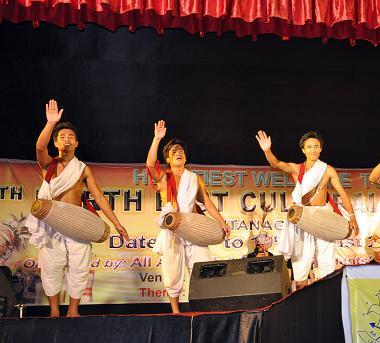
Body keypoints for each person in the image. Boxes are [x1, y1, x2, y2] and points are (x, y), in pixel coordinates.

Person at [25, 100, 130, 317]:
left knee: (79, 268)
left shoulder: (82, 169)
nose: (66, 139)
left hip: (78, 225)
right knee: (52, 268)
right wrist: (50, 123)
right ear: (56, 143)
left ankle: (73, 311)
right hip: (52, 223)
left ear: (77, 143)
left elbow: (99, 197)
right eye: (62, 136)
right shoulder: (49, 164)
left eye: (70, 137)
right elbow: (39, 147)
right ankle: (54, 311)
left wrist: (116, 223)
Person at [145, 121, 231, 313]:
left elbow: (206, 203)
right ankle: (175, 311)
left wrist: (222, 222)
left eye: (181, 150)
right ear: (167, 156)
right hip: (173, 229)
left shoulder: (194, 178)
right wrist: (157, 139)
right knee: (173, 271)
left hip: (194, 228)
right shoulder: (164, 177)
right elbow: (150, 164)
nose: (178, 152)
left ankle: (204, 307)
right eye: (174, 151)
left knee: (203, 268)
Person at [255, 130, 358, 290]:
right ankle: (303, 302)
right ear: (303, 150)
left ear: (321, 149)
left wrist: (352, 217)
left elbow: (342, 194)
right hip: (302, 221)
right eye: (309, 147)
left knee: (326, 267)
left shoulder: (327, 170)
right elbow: (276, 163)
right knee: (301, 267)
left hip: (323, 220)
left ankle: (326, 300)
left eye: (316, 146)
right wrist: (267, 150)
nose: (313, 150)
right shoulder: (297, 169)